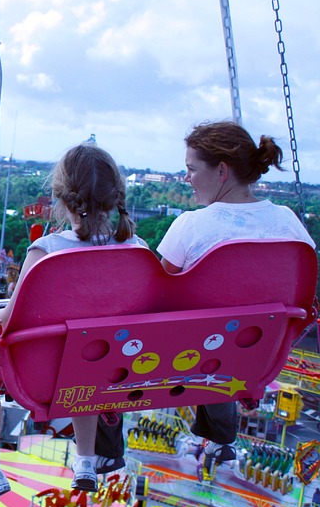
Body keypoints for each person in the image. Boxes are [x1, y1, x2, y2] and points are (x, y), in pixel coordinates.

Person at [96, 120, 316, 473]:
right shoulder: (290, 225)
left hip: (181, 357)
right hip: (253, 355)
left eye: (191, 170)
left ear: (222, 171)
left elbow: (155, 297)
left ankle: (105, 448)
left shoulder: (193, 225)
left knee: (116, 333)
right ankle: (220, 438)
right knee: (224, 341)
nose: (186, 179)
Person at [0, 143, 143, 505]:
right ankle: (85, 462)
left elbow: (5, 322)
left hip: (40, 376)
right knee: (90, 348)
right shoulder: (136, 249)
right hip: (107, 368)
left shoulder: (47, 250)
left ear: (62, 198)